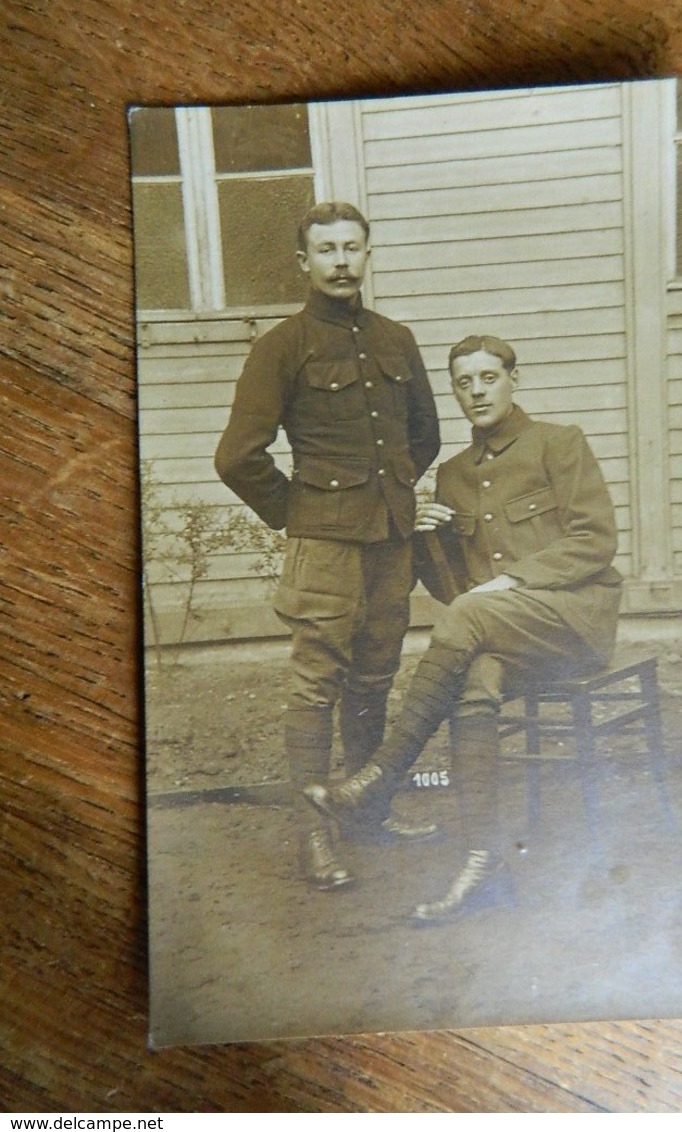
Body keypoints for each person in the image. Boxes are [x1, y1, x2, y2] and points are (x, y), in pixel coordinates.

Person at [304, 334, 623, 922]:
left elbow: (596, 540)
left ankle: (379, 776)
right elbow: (457, 593)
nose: (476, 391)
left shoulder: (559, 443)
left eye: (488, 377)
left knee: (472, 621)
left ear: (513, 379)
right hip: (503, 632)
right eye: (463, 382)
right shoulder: (452, 475)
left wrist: (516, 582)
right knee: (475, 674)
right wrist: (418, 533)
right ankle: (483, 864)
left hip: (574, 621)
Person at [215, 201, 441, 893]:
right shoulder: (281, 346)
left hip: (388, 543)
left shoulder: (396, 339)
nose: (341, 261)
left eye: (353, 247)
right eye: (327, 250)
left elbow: (422, 435)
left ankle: (367, 810)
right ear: (303, 263)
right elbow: (237, 457)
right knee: (316, 683)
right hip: (325, 547)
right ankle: (315, 831)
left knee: (375, 675)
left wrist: (395, 498)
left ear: (367, 255)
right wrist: (300, 513)